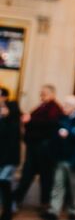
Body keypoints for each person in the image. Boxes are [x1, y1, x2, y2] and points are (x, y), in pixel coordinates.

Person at [14, 84, 63, 208]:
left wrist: (30, 120)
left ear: (52, 94)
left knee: (45, 177)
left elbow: (50, 124)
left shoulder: (54, 108)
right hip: (35, 147)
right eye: (41, 93)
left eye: (44, 93)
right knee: (28, 174)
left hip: (44, 148)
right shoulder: (42, 106)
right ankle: (15, 200)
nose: (41, 95)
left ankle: (45, 203)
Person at [45, 96, 75, 220]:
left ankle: (73, 211)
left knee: (74, 187)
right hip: (61, 157)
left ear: (74, 107)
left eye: (66, 105)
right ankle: (54, 211)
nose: (64, 107)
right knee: (58, 184)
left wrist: (69, 133)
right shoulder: (62, 117)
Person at [0, 89, 21, 220]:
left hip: (9, 158)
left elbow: (9, 136)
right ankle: (9, 209)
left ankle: (8, 211)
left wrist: (5, 117)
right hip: (3, 157)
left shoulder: (12, 120)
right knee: (4, 183)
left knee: (4, 181)